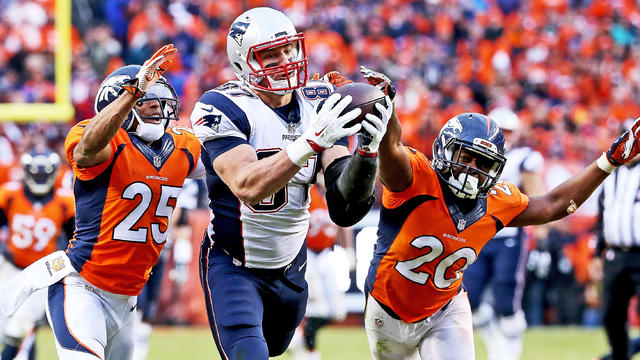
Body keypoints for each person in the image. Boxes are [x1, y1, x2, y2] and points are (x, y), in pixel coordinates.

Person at [358, 69, 640, 359]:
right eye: (465, 157)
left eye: (482, 163)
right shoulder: (416, 179)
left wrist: (609, 160)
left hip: (445, 309)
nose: (471, 169)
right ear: (444, 151)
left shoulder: (497, 201)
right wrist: (388, 109)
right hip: (387, 309)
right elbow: (390, 149)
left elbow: (556, 204)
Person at [190, 7, 390, 360]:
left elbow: (345, 205)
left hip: (291, 268)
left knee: (277, 348)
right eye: (269, 55)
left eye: (289, 49)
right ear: (243, 62)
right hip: (234, 265)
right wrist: (309, 142)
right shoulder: (222, 106)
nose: (285, 60)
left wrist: (368, 153)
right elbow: (248, 185)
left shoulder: (318, 100)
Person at [0, 44, 205, 360]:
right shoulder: (99, 139)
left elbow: (231, 170)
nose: (160, 110)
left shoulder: (182, 146)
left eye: (162, 103)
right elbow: (88, 149)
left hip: (128, 297)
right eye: (150, 103)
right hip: (83, 285)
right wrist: (132, 93)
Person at [462, 107, 545, 360]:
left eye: (509, 131)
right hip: (479, 233)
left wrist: (539, 239)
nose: (506, 136)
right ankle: (495, 347)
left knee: (507, 302)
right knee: (469, 300)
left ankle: (509, 354)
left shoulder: (524, 158)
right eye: (502, 130)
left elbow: (538, 197)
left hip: (509, 235)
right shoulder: (473, 156)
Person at [0, 146, 75, 360]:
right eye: (36, 172)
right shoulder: (10, 195)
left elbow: (76, 238)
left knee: (19, 329)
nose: (40, 177)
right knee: (4, 327)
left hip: (41, 273)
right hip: (10, 267)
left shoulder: (63, 202)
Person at [290, 175, 354, 360]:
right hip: (306, 254)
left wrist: (349, 250)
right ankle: (310, 350)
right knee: (314, 307)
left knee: (336, 311)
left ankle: (301, 337)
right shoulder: (308, 193)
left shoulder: (336, 196)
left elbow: (344, 224)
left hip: (326, 254)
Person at [591, 153, 640, 360]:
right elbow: (603, 217)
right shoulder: (611, 177)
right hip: (615, 254)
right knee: (611, 314)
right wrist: (597, 254)